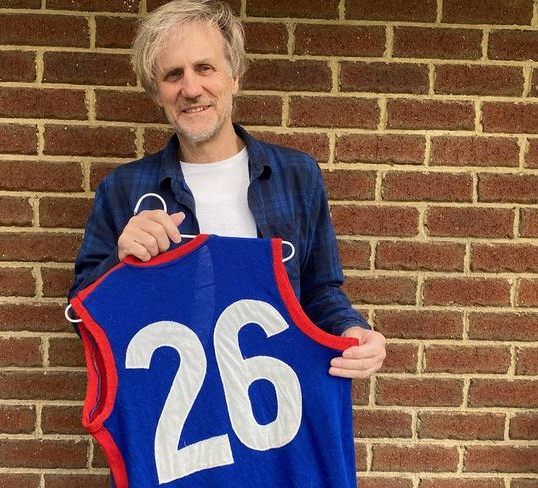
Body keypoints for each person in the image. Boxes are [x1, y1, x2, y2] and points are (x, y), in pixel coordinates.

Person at [68, 1, 386, 483]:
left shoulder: (296, 176)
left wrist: (353, 333)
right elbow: (82, 314)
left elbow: (320, 291)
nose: (191, 88)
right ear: (157, 92)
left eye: (205, 68)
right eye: (173, 74)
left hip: (276, 435)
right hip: (176, 447)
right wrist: (120, 261)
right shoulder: (124, 191)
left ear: (234, 75)